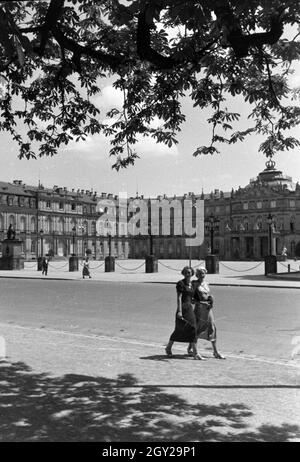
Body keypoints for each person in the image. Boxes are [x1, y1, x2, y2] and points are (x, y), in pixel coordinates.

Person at [187, 267, 225, 359]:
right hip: (199, 309)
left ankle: (215, 351)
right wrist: (200, 302)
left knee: (212, 328)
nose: (201, 275)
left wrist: (211, 299)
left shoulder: (206, 284)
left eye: (203, 273)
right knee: (198, 329)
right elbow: (191, 299)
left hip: (208, 309)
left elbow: (207, 295)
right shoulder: (194, 284)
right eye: (199, 273)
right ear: (196, 275)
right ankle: (195, 352)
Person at [165, 266, 200, 359]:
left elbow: (194, 297)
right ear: (183, 273)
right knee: (179, 329)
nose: (188, 274)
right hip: (183, 308)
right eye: (186, 272)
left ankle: (194, 352)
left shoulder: (192, 284)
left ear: (192, 273)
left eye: (189, 272)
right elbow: (179, 297)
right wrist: (179, 310)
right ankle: (168, 347)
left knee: (193, 328)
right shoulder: (181, 283)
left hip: (190, 308)